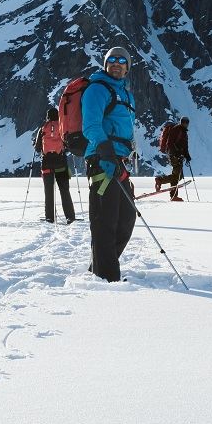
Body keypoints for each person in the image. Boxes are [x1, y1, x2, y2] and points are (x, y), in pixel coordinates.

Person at [83, 46, 137, 282]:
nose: (116, 64)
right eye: (112, 60)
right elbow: (91, 125)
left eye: (121, 61)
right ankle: (107, 278)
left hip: (119, 161)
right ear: (105, 64)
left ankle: (100, 266)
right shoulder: (97, 89)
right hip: (101, 160)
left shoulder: (125, 94)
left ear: (127, 67)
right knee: (106, 221)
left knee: (126, 218)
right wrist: (105, 153)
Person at [33, 108, 75, 224]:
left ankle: (49, 218)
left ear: (48, 117)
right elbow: (68, 145)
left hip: (46, 164)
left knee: (49, 192)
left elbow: (37, 148)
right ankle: (70, 217)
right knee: (64, 190)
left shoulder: (43, 129)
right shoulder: (62, 128)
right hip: (61, 164)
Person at [155, 117, 191, 201]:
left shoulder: (184, 132)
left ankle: (173, 195)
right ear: (181, 122)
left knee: (177, 175)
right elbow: (170, 143)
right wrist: (176, 154)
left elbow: (185, 147)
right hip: (174, 155)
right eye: (184, 122)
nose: (186, 124)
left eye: (187, 122)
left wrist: (187, 156)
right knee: (177, 175)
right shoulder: (176, 130)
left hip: (179, 156)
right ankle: (161, 181)